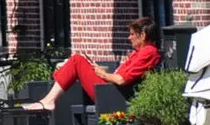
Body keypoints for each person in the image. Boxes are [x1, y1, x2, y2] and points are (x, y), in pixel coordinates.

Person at [26, 18, 161, 109]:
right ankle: (52, 93)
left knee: (77, 60)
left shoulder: (148, 52)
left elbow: (121, 79)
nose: (129, 37)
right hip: (111, 89)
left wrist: (103, 74)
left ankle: (49, 100)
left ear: (142, 35)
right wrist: (100, 71)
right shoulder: (140, 52)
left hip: (113, 94)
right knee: (77, 61)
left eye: (132, 34)